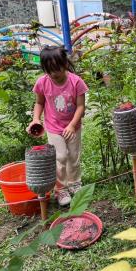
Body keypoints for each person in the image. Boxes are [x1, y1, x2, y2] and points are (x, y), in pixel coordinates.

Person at [27, 46, 88, 206]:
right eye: (50, 70)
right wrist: (35, 119)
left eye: (57, 68)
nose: (54, 73)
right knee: (60, 157)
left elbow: (81, 107)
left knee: (73, 156)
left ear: (65, 63)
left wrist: (72, 126)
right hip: (53, 127)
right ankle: (60, 189)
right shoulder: (42, 82)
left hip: (73, 126)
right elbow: (39, 102)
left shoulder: (76, 82)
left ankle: (74, 183)